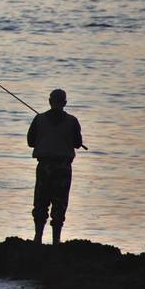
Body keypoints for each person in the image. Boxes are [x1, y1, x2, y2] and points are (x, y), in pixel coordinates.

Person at [27, 88, 84, 244]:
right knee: (60, 203)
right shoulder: (72, 121)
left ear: (50, 101)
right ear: (65, 103)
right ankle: (56, 240)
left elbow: (30, 142)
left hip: (44, 166)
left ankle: (37, 238)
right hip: (63, 168)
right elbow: (78, 143)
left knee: (40, 202)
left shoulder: (39, 119)